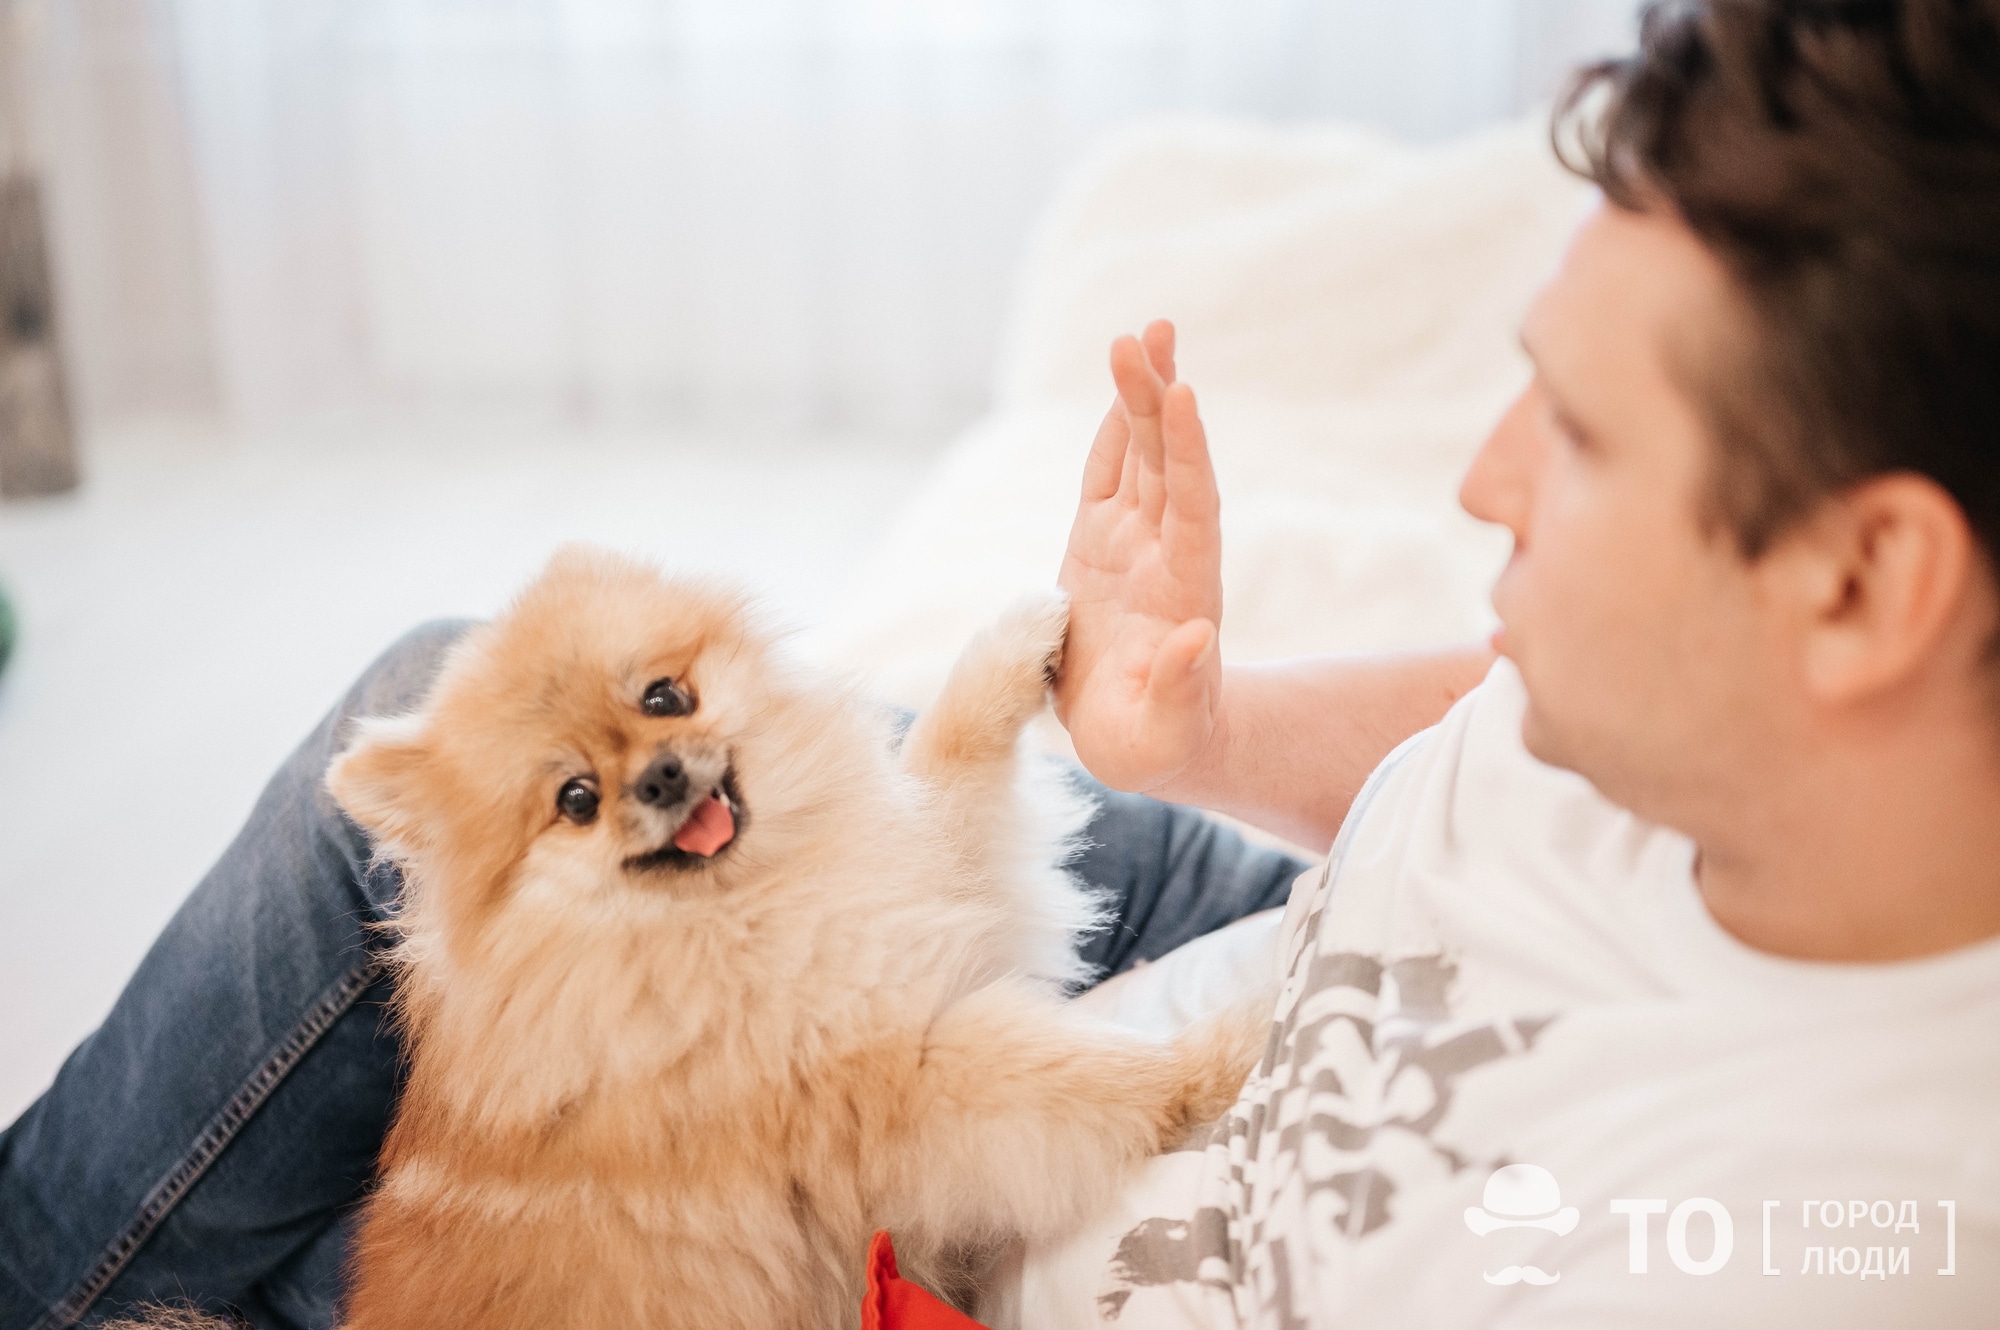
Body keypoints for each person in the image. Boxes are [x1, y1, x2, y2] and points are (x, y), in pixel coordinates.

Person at [4, 0, 1996, 1325]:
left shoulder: (1814, 1220)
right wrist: (1188, 729)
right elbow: (1495, 728)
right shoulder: (1664, 750)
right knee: (446, 703)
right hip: (1297, 920)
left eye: (1571, 430)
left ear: (1864, 582)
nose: (1478, 482)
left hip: (1009, 1148)